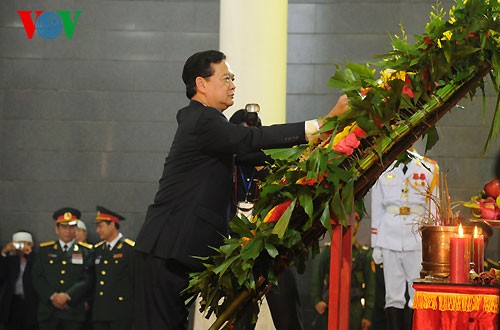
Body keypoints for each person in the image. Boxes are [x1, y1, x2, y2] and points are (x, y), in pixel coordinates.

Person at [134, 49, 349, 330]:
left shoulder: (207, 126)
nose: (233, 84)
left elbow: (255, 154)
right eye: (226, 78)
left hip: (174, 254)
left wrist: (310, 150)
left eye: (232, 78)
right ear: (201, 84)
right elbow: (252, 138)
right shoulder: (203, 119)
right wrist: (320, 126)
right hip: (165, 252)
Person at [229, 109, 304, 330]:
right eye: (244, 136)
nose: (249, 141)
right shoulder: (227, 165)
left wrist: (265, 163)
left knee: (288, 318)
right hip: (237, 253)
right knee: (240, 320)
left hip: (272, 251)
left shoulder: (272, 166)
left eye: (254, 135)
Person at [370, 150, 439, 330]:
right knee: (392, 295)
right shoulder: (382, 166)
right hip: (389, 233)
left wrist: (434, 244)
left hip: (417, 236)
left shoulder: (429, 167)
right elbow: (377, 207)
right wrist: (375, 242)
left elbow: (434, 208)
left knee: (418, 293)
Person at [31, 208, 94, 330]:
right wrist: (53, 296)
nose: (68, 231)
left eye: (71, 227)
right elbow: (37, 276)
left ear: (76, 229)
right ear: (57, 229)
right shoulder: (45, 251)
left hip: (73, 311)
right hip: (49, 312)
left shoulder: (86, 251)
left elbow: (87, 278)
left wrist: (67, 296)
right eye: (64, 227)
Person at [311, 213, 376, 330]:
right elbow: (317, 275)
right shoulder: (329, 251)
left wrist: (368, 315)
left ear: (358, 224)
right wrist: (317, 300)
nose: (350, 224)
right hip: (331, 304)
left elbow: (371, 287)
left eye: (354, 220)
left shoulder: (363, 255)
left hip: (355, 307)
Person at [92, 206, 135, 330]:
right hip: (100, 311)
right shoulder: (98, 249)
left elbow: (135, 280)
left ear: (112, 224)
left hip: (121, 311)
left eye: (100, 226)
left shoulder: (129, 249)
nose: (97, 230)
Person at [0, 231, 38, 330]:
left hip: (30, 303)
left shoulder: (36, 259)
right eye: (19, 243)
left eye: (26, 243)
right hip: (12, 303)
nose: (22, 247)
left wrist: (30, 254)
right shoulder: (10, 260)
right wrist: (4, 252)